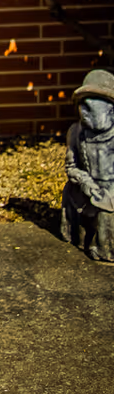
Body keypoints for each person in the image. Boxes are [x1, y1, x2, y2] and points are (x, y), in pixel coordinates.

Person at [60, 68, 114, 263]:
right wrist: (86, 184)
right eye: (84, 107)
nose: (88, 114)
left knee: (109, 207)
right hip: (87, 188)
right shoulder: (75, 132)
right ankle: (82, 235)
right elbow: (71, 166)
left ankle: (104, 249)